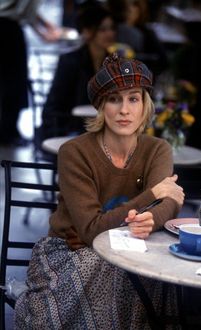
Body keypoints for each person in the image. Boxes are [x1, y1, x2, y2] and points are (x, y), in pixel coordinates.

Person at [14, 53, 185, 329]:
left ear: (145, 105)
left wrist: (154, 217)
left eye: (133, 98)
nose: (124, 110)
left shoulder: (157, 150)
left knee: (145, 272)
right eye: (114, 99)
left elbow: (169, 202)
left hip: (130, 246)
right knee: (107, 268)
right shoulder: (74, 152)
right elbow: (91, 230)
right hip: (69, 251)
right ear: (101, 106)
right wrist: (151, 195)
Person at [39, 3, 116, 142]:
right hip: (69, 128)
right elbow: (54, 107)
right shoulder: (70, 61)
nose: (110, 34)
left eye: (111, 28)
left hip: (101, 129)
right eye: (102, 30)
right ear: (87, 32)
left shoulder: (113, 63)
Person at [0, 0, 62, 145]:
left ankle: (7, 131)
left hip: (5, 26)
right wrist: (43, 33)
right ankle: (8, 134)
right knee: (13, 83)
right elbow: (27, 11)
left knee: (8, 82)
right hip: (7, 29)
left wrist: (45, 24)